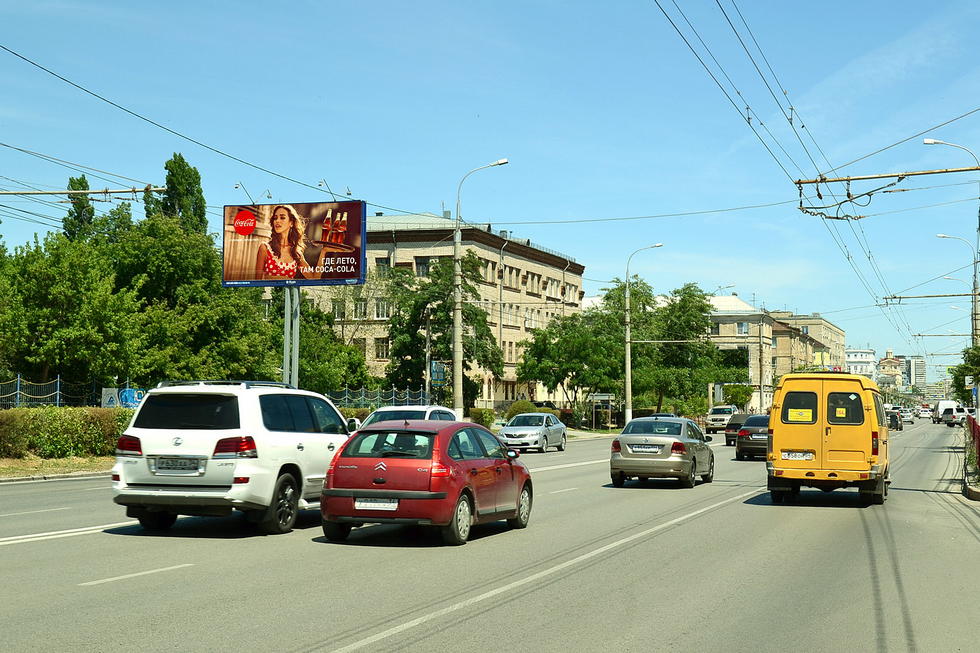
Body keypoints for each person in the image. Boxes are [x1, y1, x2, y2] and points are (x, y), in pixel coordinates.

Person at [255, 205, 308, 280]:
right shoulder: (265, 248)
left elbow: (314, 277)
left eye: (282, 217)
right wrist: (284, 279)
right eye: (275, 218)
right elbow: (257, 281)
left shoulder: (296, 253)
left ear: (291, 223)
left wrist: (324, 251)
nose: (277, 221)